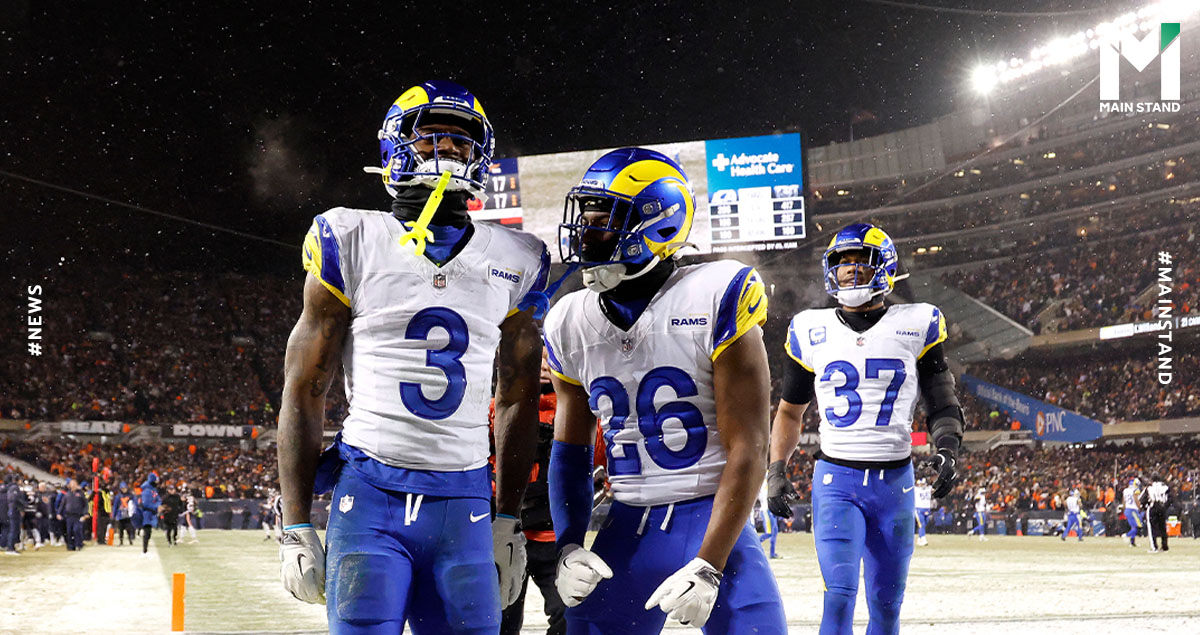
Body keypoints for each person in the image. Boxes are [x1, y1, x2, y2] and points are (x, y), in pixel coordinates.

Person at [277, 80, 548, 633]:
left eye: (460, 141)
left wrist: (507, 518)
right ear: (395, 145)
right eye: (430, 137)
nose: (446, 149)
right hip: (369, 494)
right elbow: (304, 388)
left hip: (466, 498)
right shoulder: (348, 236)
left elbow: (517, 398)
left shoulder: (517, 256)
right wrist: (297, 523)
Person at [545, 148, 787, 633]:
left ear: (659, 223)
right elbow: (570, 453)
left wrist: (710, 564)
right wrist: (568, 545)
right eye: (585, 219)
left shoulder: (717, 291)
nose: (586, 233)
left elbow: (750, 445)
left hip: (712, 520)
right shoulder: (569, 319)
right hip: (625, 527)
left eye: (603, 220)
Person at [767, 222, 964, 635]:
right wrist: (777, 468)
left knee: (887, 605)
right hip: (836, 481)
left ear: (886, 267)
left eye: (862, 261)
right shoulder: (809, 328)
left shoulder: (918, 321)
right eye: (843, 263)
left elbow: (941, 399)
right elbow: (789, 412)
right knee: (839, 597)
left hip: (895, 482)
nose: (851, 270)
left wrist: (947, 446)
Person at [498, 351, 566, 635]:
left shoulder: (577, 412)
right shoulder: (496, 411)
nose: (544, 365)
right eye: (538, 357)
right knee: (502, 621)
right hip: (507, 536)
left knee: (569, 618)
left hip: (556, 538)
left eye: (550, 358)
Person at [1141, 475, 1172, 553]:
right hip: (1162, 507)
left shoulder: (1149, 487)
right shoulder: (1165, 487)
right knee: (1163, 528)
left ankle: (1154, 547)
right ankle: (1164, 546)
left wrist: (1145, 507)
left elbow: (1142, 499)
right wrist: (1165, 506)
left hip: (1153, 507)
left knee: (1152, 528)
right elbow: (1170, 499)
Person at [56, 479, 89, 551]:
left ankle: (79, 544)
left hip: (78, 516)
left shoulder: (81, 493)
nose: (73, 485)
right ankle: (71, 546)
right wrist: (58, 513)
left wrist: (86, 513)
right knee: (69, 531)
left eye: (74, 484)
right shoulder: (67, 494)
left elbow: (85, 504)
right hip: (69, 516)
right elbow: (62, 504)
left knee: (76, 530)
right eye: (72, 484)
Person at [139, 474, 161, 556]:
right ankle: (144, 551)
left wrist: (158, 505)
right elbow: (146, 504)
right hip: (147, 514)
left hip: (151, 513)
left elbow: (158, 499)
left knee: (148, 532)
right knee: (147, 532)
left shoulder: (153, 490)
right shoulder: (147, 491)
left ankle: (145, 550)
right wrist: (156, 507)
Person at [112, 482, 137, 546]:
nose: (124, 490)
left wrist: (134, 512)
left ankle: (130, 539)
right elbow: (115, 506)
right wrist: (114, 515)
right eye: (122, 488)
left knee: (129, 528)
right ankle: (121, 541)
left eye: (125, 488)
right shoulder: (118, 496)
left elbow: (134, 504)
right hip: (120, 515)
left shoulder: (131, 496)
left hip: (128, 515)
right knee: (120, 529)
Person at [1122, 478, 1143, 547]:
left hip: (1127, 509)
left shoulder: (1125, 490)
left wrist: (1124, 509)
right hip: (1133, 510)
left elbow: (1123, 501)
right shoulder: (1135, 490)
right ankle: (1126, 535)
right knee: (1139, 525)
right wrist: (1139, 507)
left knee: (1133, 527)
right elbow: (1136, 499)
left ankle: (1132, 542)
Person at [914, 477, 933, 546]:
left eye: (923, 484)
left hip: (927, 509)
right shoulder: (915, 489)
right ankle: (923, 538)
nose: (922, 485)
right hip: (919, 509)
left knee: (925, 524)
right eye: (921, 484)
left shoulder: (929, 488)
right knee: (922, 524)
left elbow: (935, 488)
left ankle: (919, 539)